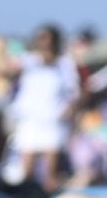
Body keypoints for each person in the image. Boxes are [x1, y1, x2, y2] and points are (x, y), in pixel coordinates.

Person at [8, 24, 82, 188]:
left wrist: (70, 110)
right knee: (25, 172)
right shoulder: (27, 60)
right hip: (29, 121)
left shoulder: (65, 64)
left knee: (50, 175)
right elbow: (9, 72)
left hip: (53, 122)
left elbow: (74, 92)